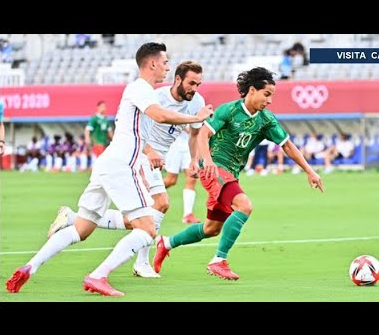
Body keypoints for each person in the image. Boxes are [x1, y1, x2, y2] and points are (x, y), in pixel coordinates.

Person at [5, 43, 213, 296]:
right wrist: (195, 117)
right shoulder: (141, 88)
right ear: (152, 64)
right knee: (147, 229)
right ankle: (98, 275)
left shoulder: (140, 91)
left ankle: (29, 267)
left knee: (81, 229)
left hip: (108, 162)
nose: (168, 67)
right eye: (165, 62)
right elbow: (159, 115)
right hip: (123, 165)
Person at [152, 67, 324, 280]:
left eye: (272, 96)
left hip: (230, 173)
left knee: (211, 228)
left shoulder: (266, 120)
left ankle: (166, 243)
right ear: (252, 90)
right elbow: (203, 134)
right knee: (244, 205)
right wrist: (204, 160)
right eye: (267, 94)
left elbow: (287, 145)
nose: (269, 101)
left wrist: (310, 171)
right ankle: (218, 261)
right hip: (214, 168)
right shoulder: (229, 110)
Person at [46, 61, 207, 279]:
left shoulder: (196, 101)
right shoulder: (156, 97)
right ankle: (140, 263)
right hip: (140, 156)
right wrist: (149, 150)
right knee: (158, 205)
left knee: (148, 212)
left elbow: (195, 133)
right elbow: (131, 126)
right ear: (178, 79)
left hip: (157, 160)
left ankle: (74, 218)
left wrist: (194, 159)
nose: (195, 88)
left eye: (198, 84)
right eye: (191, 83)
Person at [163, 127, 202, 224]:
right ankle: (147, 194)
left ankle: (187, 215)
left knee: (192, 177)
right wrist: (188, 127)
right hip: (174, 144)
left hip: (189, 144)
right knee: (171, 180)